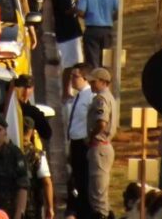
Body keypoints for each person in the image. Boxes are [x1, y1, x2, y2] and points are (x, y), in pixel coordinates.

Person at [86, 67, 117, 219]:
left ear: (103, 82)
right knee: (100, 192)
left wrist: (91, 136)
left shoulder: (101, 99)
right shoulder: (109, 97)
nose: (90, 83)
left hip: (100, 146)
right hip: (103, 147)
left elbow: (102, 123)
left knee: (98, 194)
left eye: (94, 81)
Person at [65, 64, 94, 219]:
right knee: (75, 177)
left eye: (75, 77)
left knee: (83, 179)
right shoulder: (78, 95)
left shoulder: (90, 96)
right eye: (71, 77)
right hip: (74, 142)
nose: (72, 80)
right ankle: (76, 208)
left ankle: (84, 211)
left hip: (83, 143)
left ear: (85, 78)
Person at [76, 0, 119, 69]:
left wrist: (87, 16)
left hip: (92, 30)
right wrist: (110, 18)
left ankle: (94, 81)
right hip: (107, 30)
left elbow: (81, 11)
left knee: (92, 61)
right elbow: (119, 10)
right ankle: (104, 81)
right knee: (106, 61)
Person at [52, 0, 84, 72]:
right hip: (66, 33)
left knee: (76, 63)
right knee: (69, 65)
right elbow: (65, 10)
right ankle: (66, 89)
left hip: (72, 31)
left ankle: (70, 88)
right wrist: (78, 10)